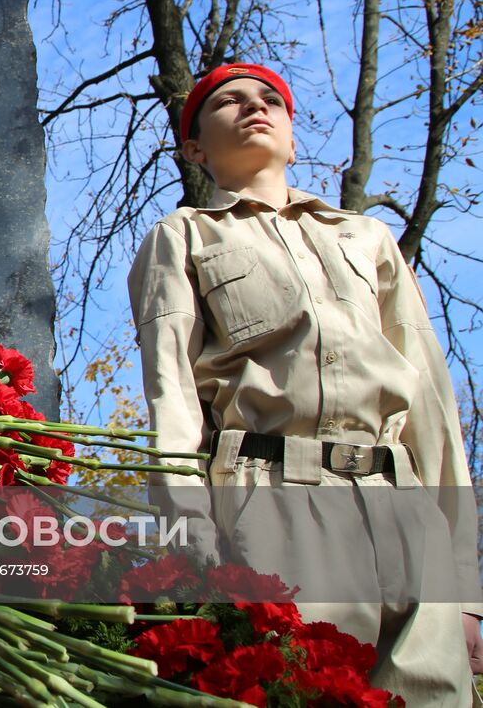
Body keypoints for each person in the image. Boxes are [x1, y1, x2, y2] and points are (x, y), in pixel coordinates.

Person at [127, 62, 483, 703]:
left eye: (270, 100)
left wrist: (463, 588)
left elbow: (430, 400)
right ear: (195, 148)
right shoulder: (182, 236)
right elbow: (171, 394)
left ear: (292, 141)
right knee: (305, 689)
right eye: (229, 101)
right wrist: (193, 546)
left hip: (404, 504)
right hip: (275, 502)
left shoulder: (368, 237)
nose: (254, 107)